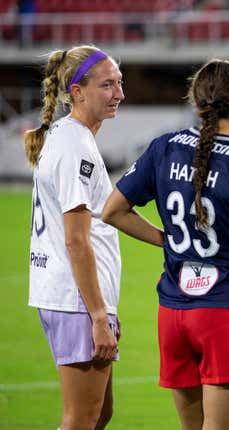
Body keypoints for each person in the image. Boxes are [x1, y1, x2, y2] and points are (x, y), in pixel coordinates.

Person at [101, 59, 229, 430]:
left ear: (196, 100)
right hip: (227, 315)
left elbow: (113, 211)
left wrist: (169, 241)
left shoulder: (164, 148)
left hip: (173, 314)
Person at [24, 45, 124, 429]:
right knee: (82, 417)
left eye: (119, 83)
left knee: (99, 413)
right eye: (107, 85)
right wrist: (99, 314)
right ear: (77, 91)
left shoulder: (69, 137)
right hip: (76, 301)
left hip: (74, 297)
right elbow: (77, 240)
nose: (119, 93)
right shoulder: (75, 145)